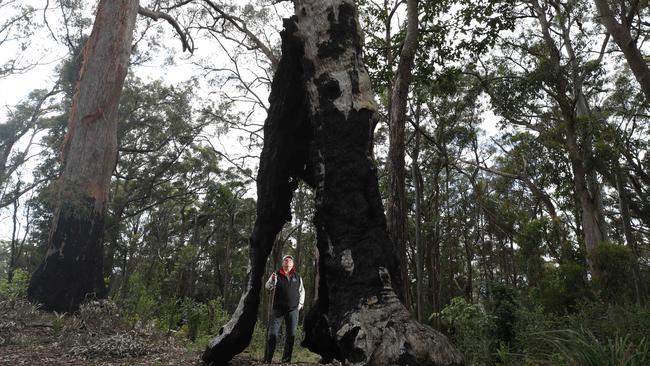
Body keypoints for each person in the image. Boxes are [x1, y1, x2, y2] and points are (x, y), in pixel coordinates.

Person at [263, 254, 305, 363]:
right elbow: (268, 287)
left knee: (291, 335)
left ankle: (286, 360)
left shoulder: (297, 276)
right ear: (283, 263)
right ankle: (268, 360)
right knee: (272, 334)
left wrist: (300, 305)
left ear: (293, 264)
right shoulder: (276, 275)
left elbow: (302, 291)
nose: (288, 261)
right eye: (286, 260)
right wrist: (272, 280)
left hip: (293, 310)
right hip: (278, 309)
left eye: (290, 260)